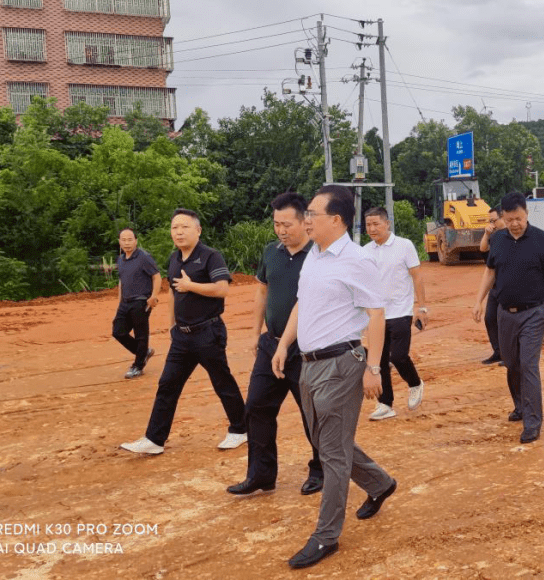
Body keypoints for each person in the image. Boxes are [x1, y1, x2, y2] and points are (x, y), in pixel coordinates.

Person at [271, 185, 396, 570]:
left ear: (337, 220)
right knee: (326, 440)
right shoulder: (315, 255)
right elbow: (301, 304)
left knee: (333, 454)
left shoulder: (357, 260)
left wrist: (374, 368)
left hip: (342, 364)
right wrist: (283, 344)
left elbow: (377, 314)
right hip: (308, 363)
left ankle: (326, 537)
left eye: (312, 214)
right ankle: (379, 483)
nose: (306, 220)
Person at [120, 209, 247, 455]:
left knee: (222, 382)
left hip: (208, 332)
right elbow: (173, 292)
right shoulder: (174, 258)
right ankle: (154, 439)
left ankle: (240, 429)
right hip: (182, 335)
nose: (178, 232)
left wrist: (192, 285)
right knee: (167, 384)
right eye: (175, 227)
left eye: (184, 227)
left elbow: (222, 289)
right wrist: (172, 325)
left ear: (198, 230)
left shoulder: (211, 256)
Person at [226, 192, 323, 497]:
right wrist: (256, 333)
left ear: (304, 222)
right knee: (256, 408)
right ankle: (261, 475)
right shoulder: (271, 252)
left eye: (286, 224)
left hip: (306, 350)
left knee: (313, 414)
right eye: (276, 224)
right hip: (271, 345)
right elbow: (262, 293)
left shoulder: (318, 256)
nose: (281, 230)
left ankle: (320, 470)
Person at [472, 192, 544, 444]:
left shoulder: (540, 239)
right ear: (502, 217)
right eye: (510, 219)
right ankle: (520, 406)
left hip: (533, 312)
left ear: (527, 215)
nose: (515, 223)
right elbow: (490, 271)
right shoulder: (498, 240)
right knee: (511, 364)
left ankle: (532, 422)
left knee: (528, 365)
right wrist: (478, 301)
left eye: (520, 218)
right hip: (505, 313)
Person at [363, 206, 427, 420]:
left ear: (387, 223)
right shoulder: (365, 251)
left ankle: (415, 383)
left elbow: (417, 277)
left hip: (401, 311)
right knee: (378, 362)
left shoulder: (404, 245)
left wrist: (422, 307)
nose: (372, 229)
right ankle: (385, 404)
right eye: (368, 225)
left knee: (398, 356)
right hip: (376, 315)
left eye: (376, 224)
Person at [112, 228, 161, 379]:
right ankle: (143, 352)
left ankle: (138, 366)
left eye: (130, 239)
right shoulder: (121, 259)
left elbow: (157, 276)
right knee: (118, 331)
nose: (127, 243)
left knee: (141, 335)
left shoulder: (144, 257)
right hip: (125, 302)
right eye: (123, 240)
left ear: (136, 241)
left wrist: (153, 297)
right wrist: (120, 301)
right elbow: (122, 281)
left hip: (141, 301)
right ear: (119, 242)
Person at [478, 206, 505, 366]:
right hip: (495, 286)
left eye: (493, 220)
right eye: (490, 221)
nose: (492, 224)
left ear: (503, 218)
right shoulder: (495, 237)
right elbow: (482, 249)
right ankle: (498, 351)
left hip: (508, 287)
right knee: (490, 318)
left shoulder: (511, 237)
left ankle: (509, 355)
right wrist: (487, 233)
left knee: (505, 321)